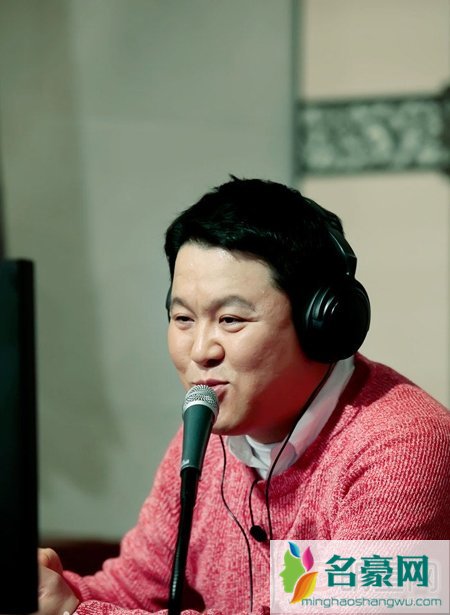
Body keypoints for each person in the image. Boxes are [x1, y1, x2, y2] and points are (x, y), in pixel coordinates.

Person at [38, 178, 450, 615]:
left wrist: (75, 612)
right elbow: (133, 586)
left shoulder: (405, 447)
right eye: (183, 318)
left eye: (231, 320)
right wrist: (50, 592)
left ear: (322, 323)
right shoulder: (207, 436)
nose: (201, 351)